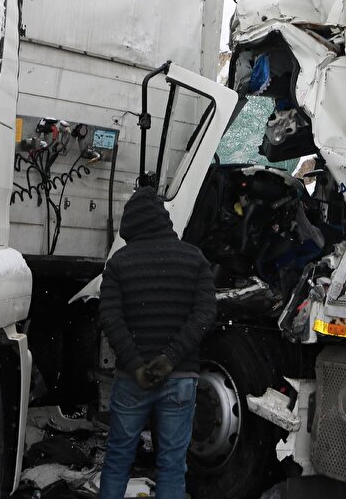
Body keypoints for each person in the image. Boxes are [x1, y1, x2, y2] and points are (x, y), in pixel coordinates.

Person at [98, 185, 217, 499]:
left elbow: (110, 317)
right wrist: (170, 358)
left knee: (118, 459)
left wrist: (137, 365)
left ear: (131, 226)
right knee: (172, 465)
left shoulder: (119, 263)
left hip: (131, 380)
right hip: (180, 378)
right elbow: (206, 313)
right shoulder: (194, 259)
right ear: (163, 220)